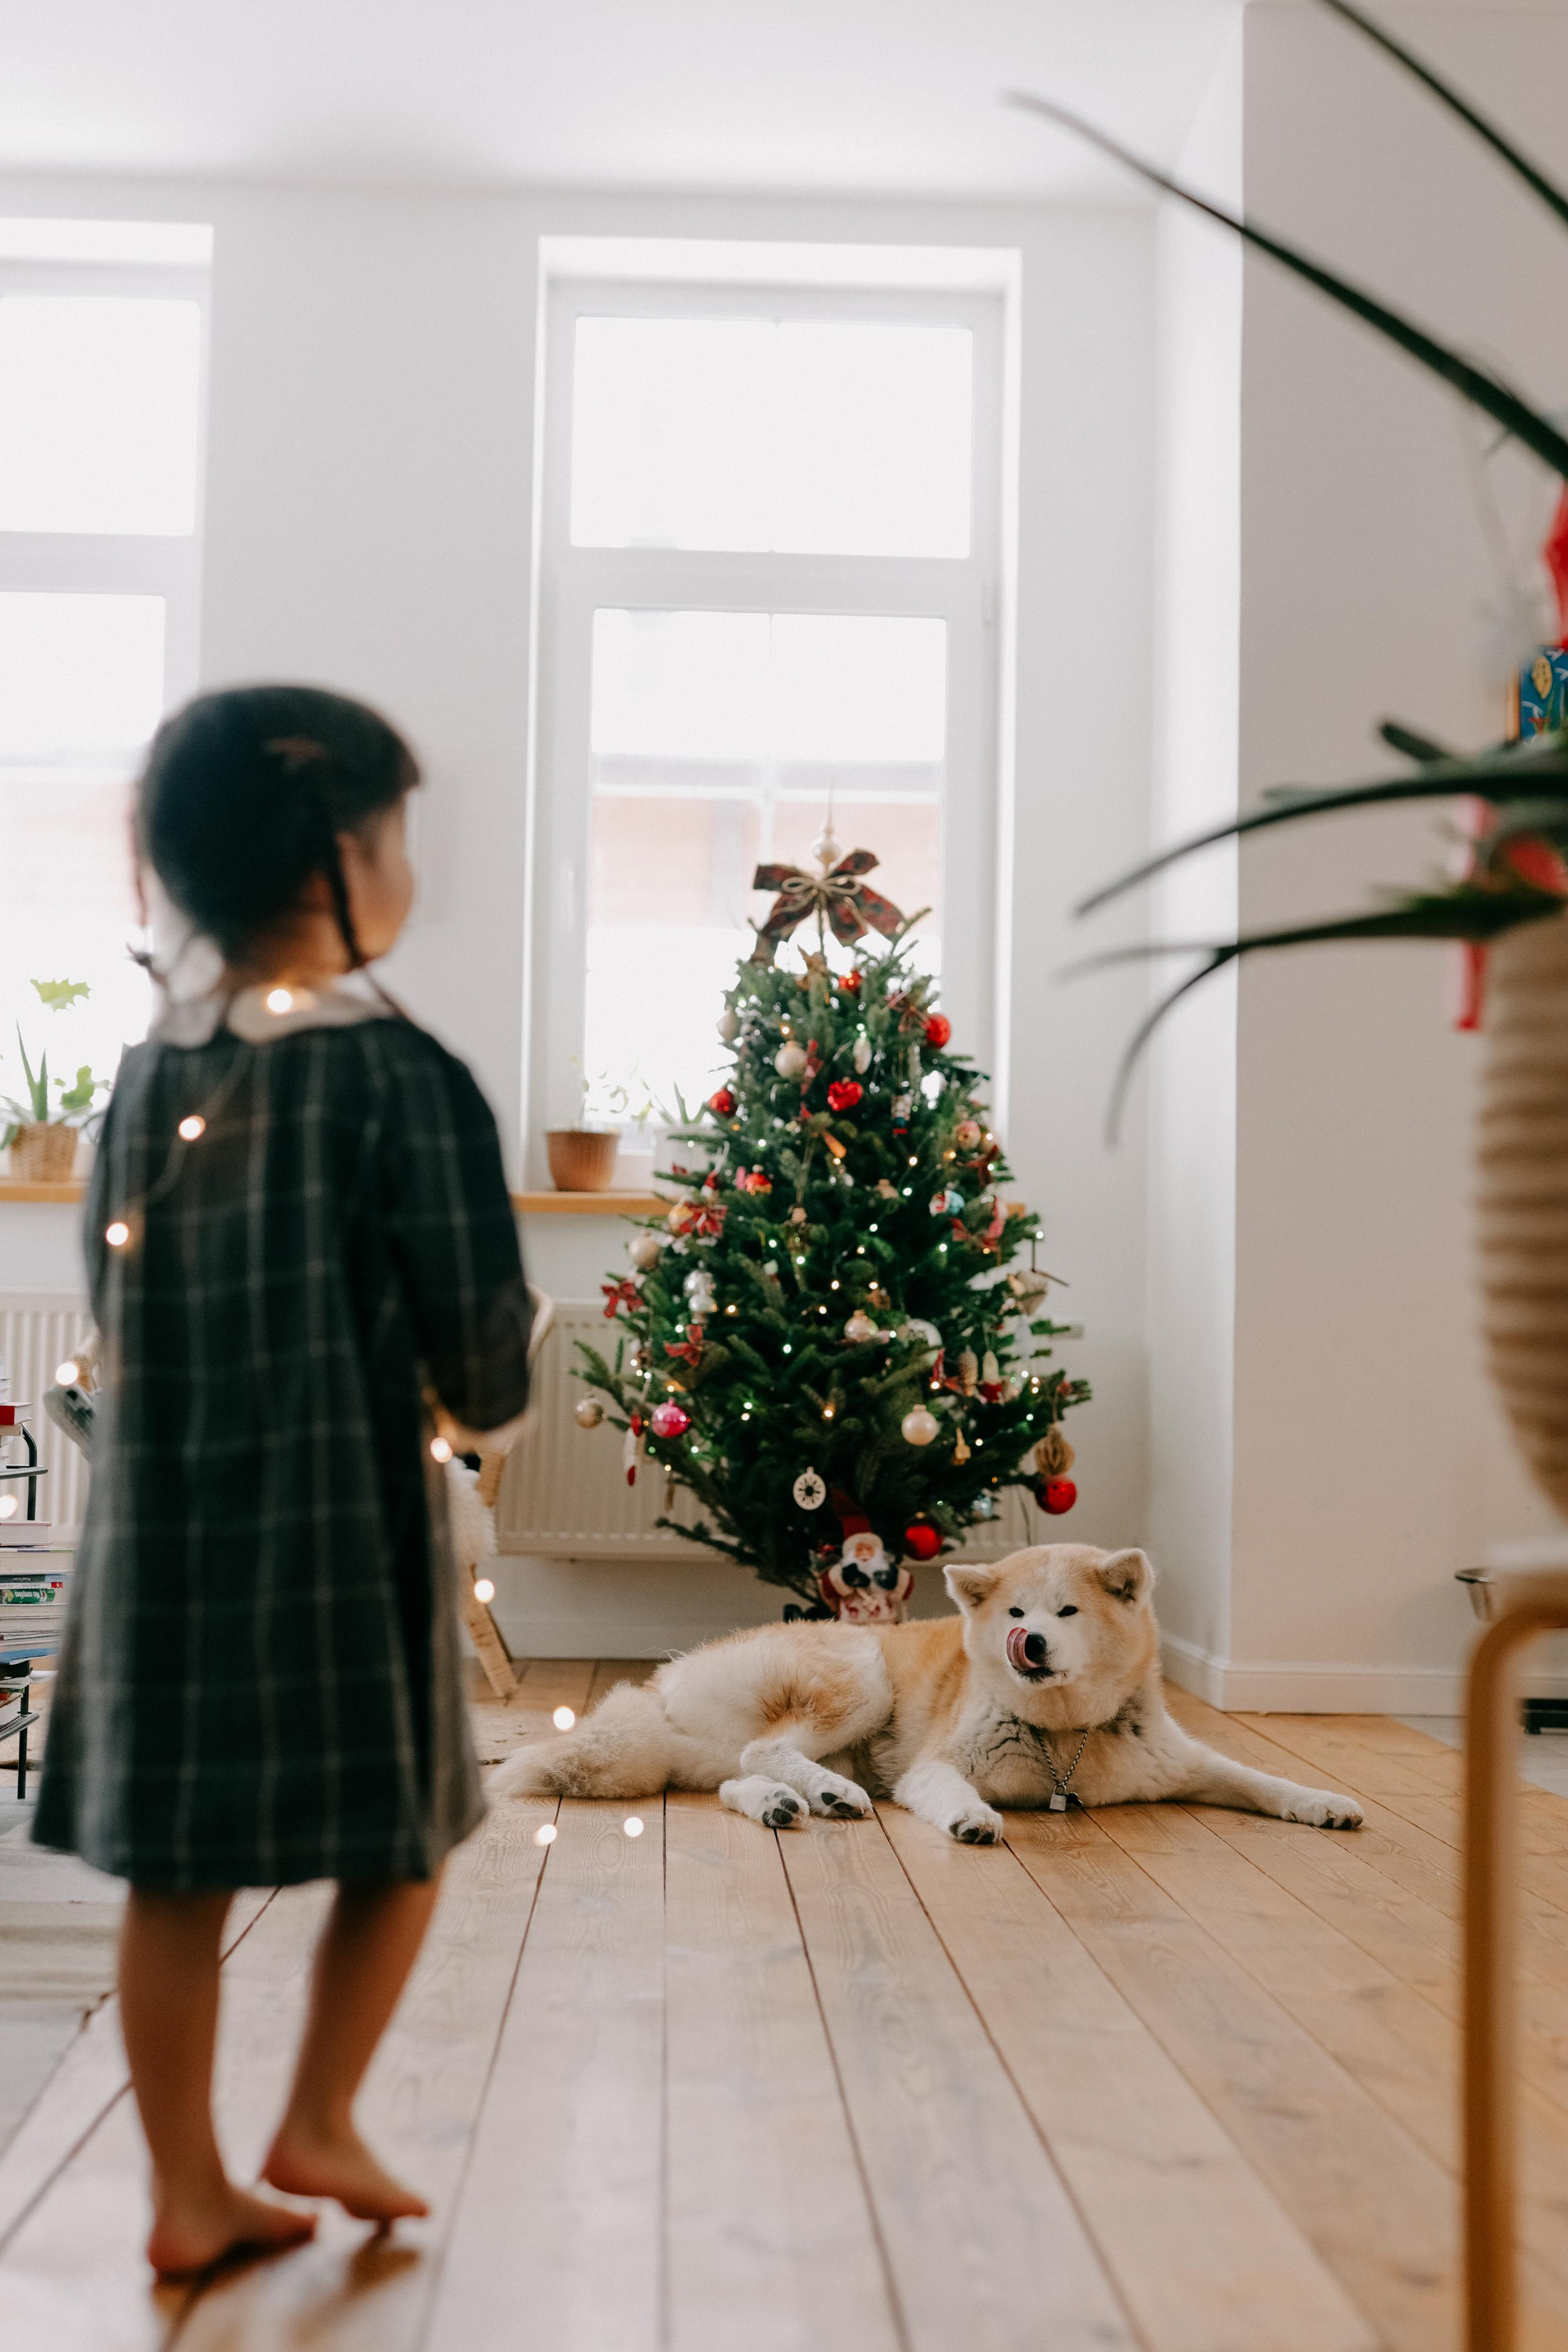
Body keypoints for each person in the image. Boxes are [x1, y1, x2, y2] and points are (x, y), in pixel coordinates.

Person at [34, 685, 533, 2278]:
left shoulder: (139, 1078)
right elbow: (483, 1342)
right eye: (394, 833)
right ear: (335, 854)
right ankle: (317, 2113)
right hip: (338, 1530)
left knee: (177, 1871)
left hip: (164, 1537)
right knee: (404, 1834)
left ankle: (189, 2186)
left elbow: (114, 1314)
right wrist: (488, 1399)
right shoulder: (402, 1080)